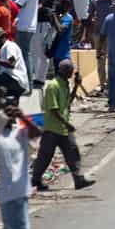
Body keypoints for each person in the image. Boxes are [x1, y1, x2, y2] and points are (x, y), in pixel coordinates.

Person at [31, 60, 94, 191]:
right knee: (45, 157)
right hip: (53, 128)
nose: (72, 74)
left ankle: (78, 178)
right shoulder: (53, 86)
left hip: (64, 128)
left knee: (73, 152)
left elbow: (67, 103)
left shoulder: (65, 84)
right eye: (70, 71)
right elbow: (53, 109)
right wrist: (67, 124)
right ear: (63, 71)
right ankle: (35, 180)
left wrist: (77, 86)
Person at [0, 106, 42, 229]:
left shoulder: (19, 131)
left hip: (22, 191)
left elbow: (37, 133)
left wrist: (22, 117)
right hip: (9, 195)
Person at [0, 27, 29, 105]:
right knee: (0, 81)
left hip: (17, 80)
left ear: (2, 37)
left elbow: (11, 64)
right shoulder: (3, 48)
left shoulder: (9, 46)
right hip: (11, 80)